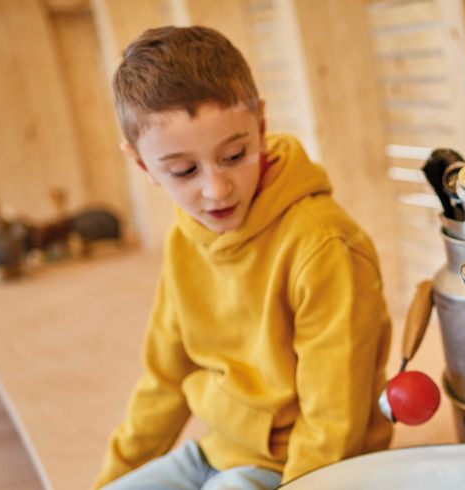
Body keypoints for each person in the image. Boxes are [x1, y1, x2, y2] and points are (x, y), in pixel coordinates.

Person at [94, 26, 393, 489]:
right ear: (141, 164)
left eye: (234, 155)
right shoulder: (184, 239)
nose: (216, 189)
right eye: (184, 170)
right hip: (217, 450)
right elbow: (164, 379)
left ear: (261, 126)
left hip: (304, 465)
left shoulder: (324, 244)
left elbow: (333, 421)